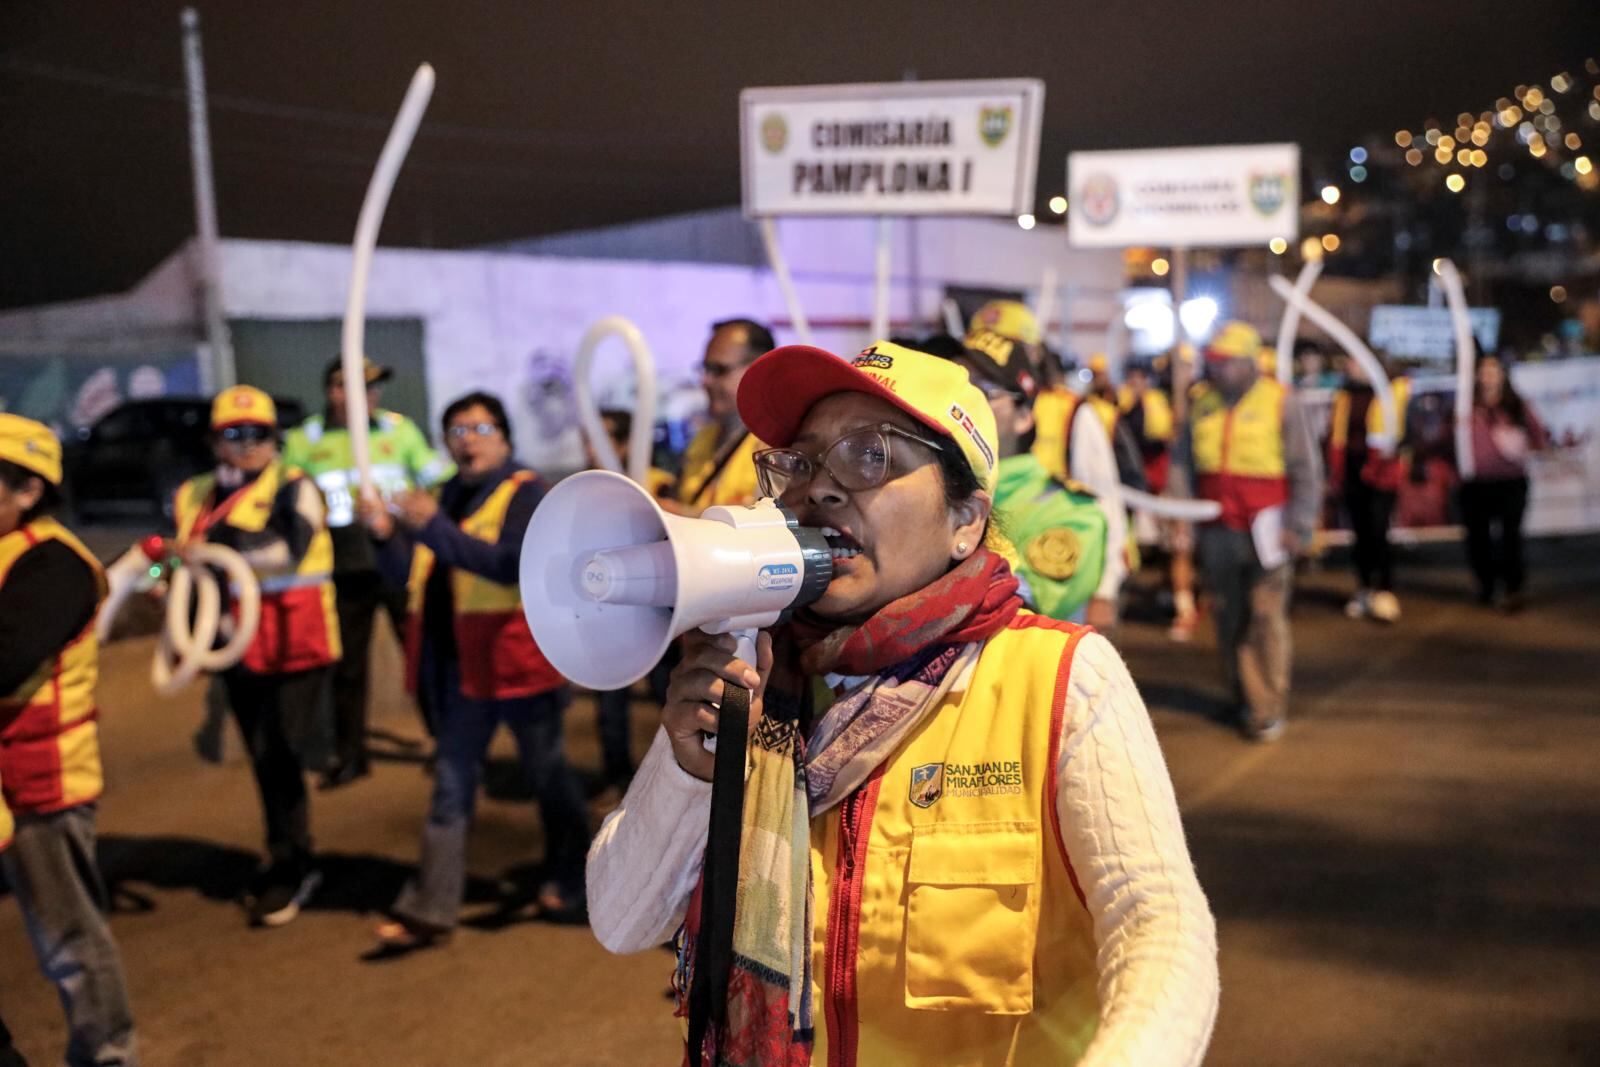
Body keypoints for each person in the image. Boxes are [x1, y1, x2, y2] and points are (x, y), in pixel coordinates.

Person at [588, 341, 1219, 1065]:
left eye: (869, 454)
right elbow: (620, 917)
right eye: (798, 460)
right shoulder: (757, 670)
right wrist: (688, 769)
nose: (818, 488)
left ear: (966, 521)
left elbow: (1160, 926)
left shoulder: (1060, 677)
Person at [363, 391, 591, 950]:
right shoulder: (444, 496)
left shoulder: (527, 491)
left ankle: (579, 876)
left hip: (516, 661)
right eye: (455, 430)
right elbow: (406, 574)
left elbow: (508, 564)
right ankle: (430, 909)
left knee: (549, 778)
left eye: (480, 427)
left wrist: (432, 525)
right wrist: (386, 536)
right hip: (462, 668)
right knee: (450, 787)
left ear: (506, 437)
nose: (466, 439)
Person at [173, 386, 341, 925]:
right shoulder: (192, 494)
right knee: (266, 756)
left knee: (284, 750)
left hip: (297, 640)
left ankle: (296, 860)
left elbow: (283, 550)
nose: (246, 445)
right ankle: (286, 855)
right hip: (235, 643)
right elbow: (185, 562)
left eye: (257, 434)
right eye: (232, 434)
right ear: (213, 439)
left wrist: (219, 540)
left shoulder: (295, 486)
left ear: (275, 438)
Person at [0, 414, 138, 1065]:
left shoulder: (56, 565)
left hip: (41, 780)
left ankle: (108, 1055)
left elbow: (7, 655)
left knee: (69, 942)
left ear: (28, 490)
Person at [282, 356, 451, 789]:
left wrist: (415, 514)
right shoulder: (305, 439)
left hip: (397, 557)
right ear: (333, 392)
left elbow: (439, 481)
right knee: (348, 667)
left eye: (374, 388)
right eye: (357, 387)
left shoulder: (399, 430)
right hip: (341, 564)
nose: (369, 396)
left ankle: (445, 746)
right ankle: (352, 753)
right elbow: (286, 497)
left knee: (420, 653)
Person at [1174, 323, 1323, 742]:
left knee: (1264, 617)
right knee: (1228, 616)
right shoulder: (1200, 403)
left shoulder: (1282, 402)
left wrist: (1299, 527)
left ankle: (1265, 708)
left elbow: (1306, 471)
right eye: (1214, 362)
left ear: (1250, 362)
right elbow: (1182, 464)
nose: (1216, 371)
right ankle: (1242, 695)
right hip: (1218, 531)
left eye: (1225, 363)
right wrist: (1180, 519)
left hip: (1269, 534)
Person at [966, 302, 1131, 626]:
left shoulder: (1073, 409)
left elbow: (1103, 495)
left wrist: (1106, 588)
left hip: (1066, 564)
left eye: (1008, 344)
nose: (995, 352)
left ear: (1036, 351)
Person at [1459, 353, 1547, 612]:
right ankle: (1486, 584)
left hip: (1510, 482)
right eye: (1483, 370)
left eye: (1493, 370)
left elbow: (1538, 435)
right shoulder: (1465, 406)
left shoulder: (1516, 405)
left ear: (1503, 375)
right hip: (1475, 484)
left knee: (1510, 537)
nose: (1488, 376)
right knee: (1478, 538)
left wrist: (1519, 447)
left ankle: (1512, 588)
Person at [1329, 357, 1411, 623]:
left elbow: (1406, 433)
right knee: (1360, 533)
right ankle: (1365, 588)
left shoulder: (1394, 391)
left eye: (1356, 362)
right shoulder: (1344, 396)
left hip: (1382, 473)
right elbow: (1335, 434)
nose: (1351, 367)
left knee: (1378, 530)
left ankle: (1385, 589)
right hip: (1352, 472)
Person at [667, 319, 774, 516]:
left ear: (759, 369)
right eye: (706, 369)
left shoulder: (777, 446)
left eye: (718, 370)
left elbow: (760, 524)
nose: (705, 381)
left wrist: (673, 513)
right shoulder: (703, 438)